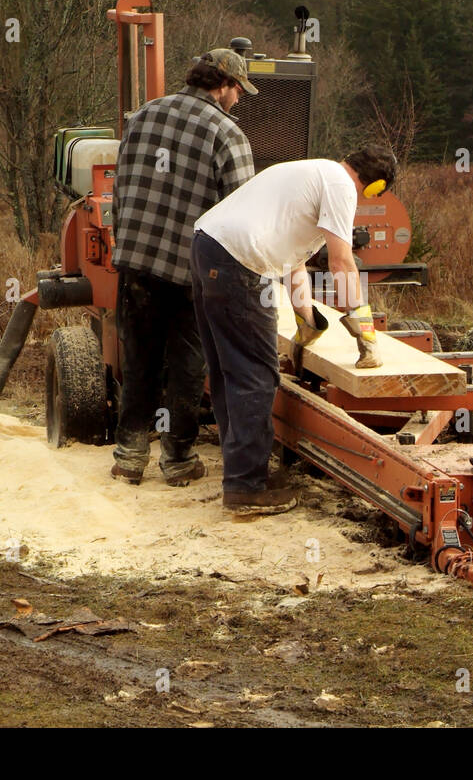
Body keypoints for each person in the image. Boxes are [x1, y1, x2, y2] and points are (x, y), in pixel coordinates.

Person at [191, 145, 399, 515]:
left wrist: (306, 318)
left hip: (207, 246)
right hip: (240, 261)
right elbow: (342, 262)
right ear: (374, 186)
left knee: (228, 368)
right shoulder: (341, 185)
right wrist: (363, 330)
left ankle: (240, 472)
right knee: (255, 375)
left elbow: (294, 260)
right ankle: (246, 488)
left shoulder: (310, 172)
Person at [109, 48, 258, 486]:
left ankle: (129, 458)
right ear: (224, 85)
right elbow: (242, 214)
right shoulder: (228, 135)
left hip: (136, 261)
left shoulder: (142, 116)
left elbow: (120, 189)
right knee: (188, 365)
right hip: (190, 271)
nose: (238, 100)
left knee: (139, 359)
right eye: (238, 91)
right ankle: (176, 460)